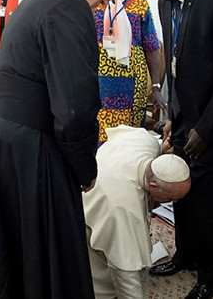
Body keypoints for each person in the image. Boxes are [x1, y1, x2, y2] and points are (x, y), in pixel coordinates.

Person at [0, 0, 121, 296]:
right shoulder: (70, 5)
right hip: (29, 144)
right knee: (46, 248)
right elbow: (74, 108)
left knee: (9, 248)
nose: (104, 2)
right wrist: (85, 169)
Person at [139, 0, 213, 298]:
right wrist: (172, 116)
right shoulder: (165, 1)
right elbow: (175, 66)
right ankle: (184, 255)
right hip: (185, 119)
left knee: (208, 204)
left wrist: (206, 128)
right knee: (178, 192)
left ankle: (210, 274)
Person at [84, 125, 191, 299]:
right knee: (106, 271)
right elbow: (125, 274)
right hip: (86, 217)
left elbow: (154, 145)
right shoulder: (124, 209)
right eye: (172, 197)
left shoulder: (146, 141)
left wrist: (162, 149)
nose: (175, 202)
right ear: (154, 186)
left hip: (101, 186)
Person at [94, 0, 164, 145]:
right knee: (104, 139)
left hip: (134, 84)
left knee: (130, 142)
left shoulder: (140, 5)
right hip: (101, 84)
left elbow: (152, 47)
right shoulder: (95, 4)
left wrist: (156, 87)